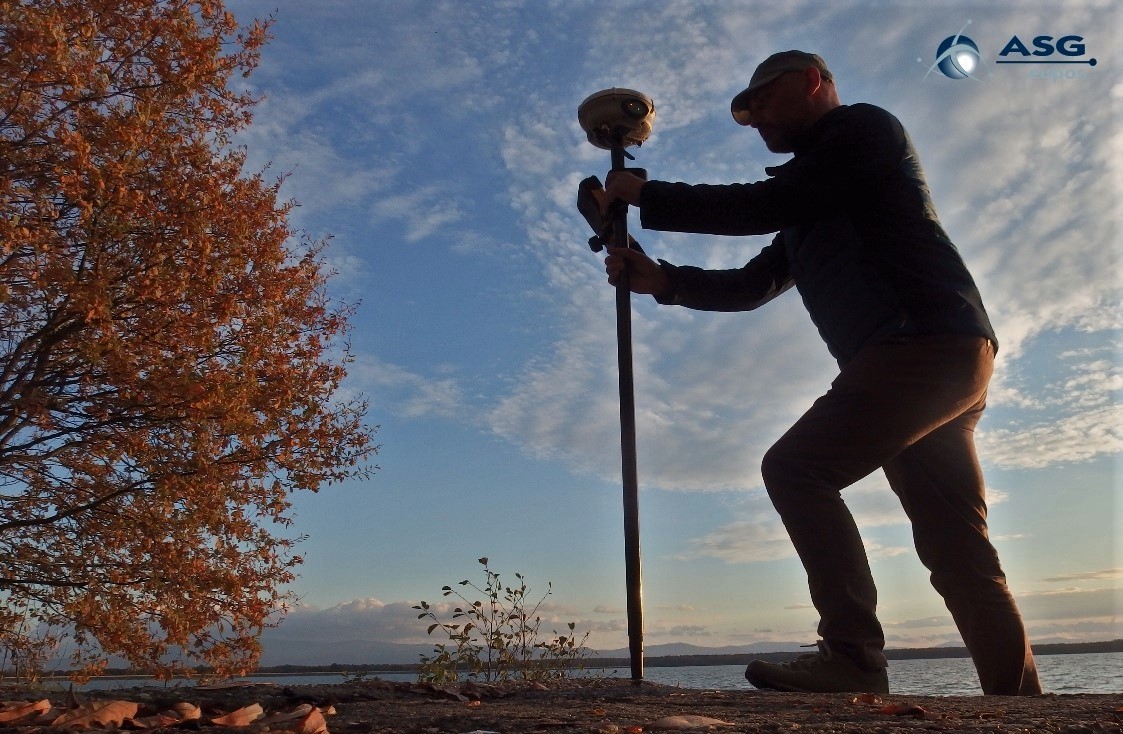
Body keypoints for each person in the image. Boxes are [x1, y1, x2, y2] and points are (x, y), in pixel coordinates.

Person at [596, 51, 1042, 696]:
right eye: (744, 113)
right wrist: (663, 281)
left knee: (797, 467)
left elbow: (769, 202)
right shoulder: (812, 202)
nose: (753, 120)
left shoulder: (862, 131)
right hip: (938, 359)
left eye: (762, 102)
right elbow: (752, 286)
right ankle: (1019, 702)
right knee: (957, 548)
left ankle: (853, 657)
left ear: (813, 83)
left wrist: (648, 194)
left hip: (918, 345)